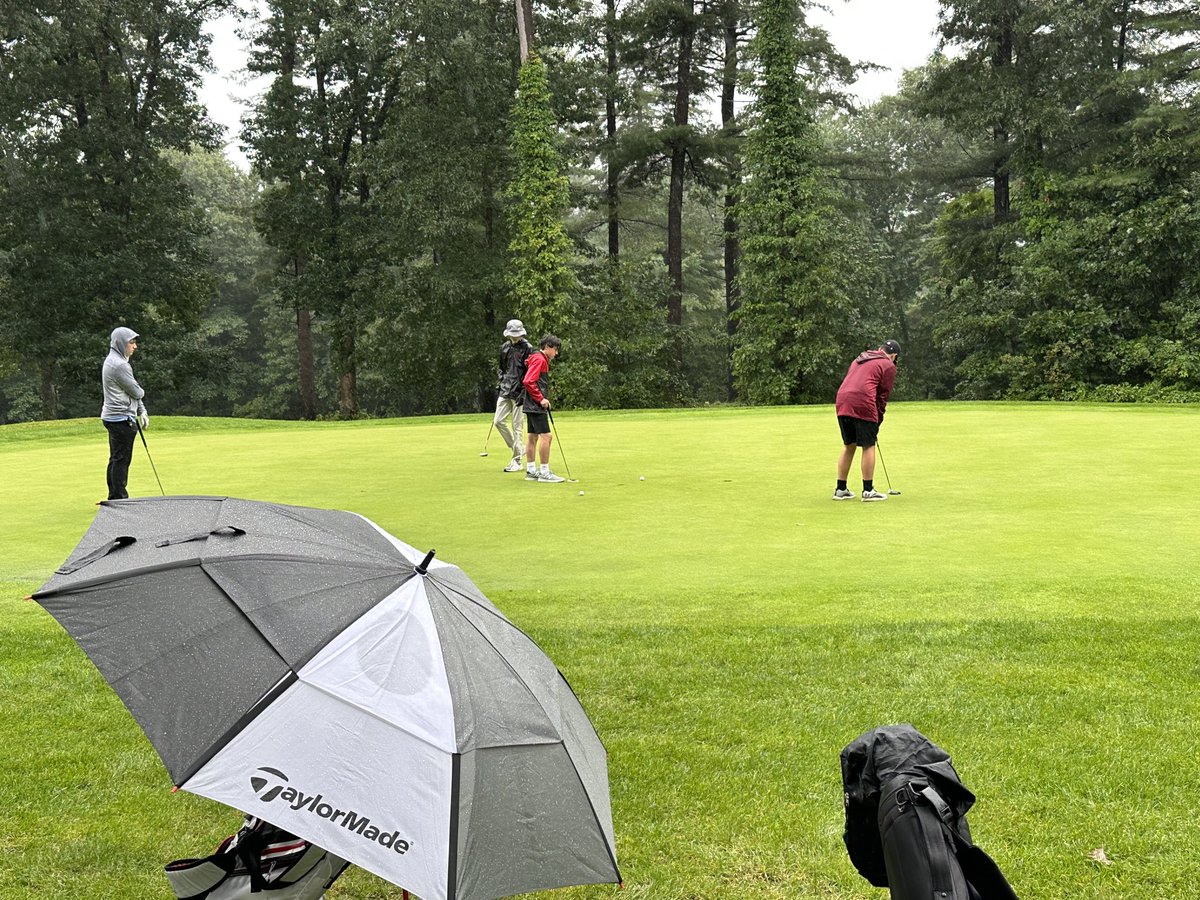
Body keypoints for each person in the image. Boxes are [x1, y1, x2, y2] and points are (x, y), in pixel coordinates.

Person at [833, 339, 899, 502]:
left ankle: (841, 489)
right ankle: (868, 491)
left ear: (880, 349)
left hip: (842, 402)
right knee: (868, 445)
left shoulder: (859, 358)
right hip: (863, 402)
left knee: (849, 445)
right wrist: (878, 419)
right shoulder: (888, 365)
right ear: (893, 356)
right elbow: (882, 395)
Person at [101, 326, 149, 500]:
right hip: (121, 419)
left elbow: (132, 393)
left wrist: (141, 410)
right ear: (121, 343)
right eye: (131, 342)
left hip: (114, 417)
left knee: (116, 458)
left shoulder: (115, 360)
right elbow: (137, 392)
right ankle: (119, 498)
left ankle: (114, 496)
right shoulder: (120, 365)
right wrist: (141, 395)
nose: (135, 346)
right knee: (121, 460)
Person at [522, 334, 565, 483]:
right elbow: (528, 381)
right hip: (535, 404)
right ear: (547, 347)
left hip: (530, 404)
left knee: (532, 436)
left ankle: (531, 471)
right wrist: (541, 399)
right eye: (555, 349)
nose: (556, 353)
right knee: (546, 436)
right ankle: (545, 473)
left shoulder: (537, 358)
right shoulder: (539, 359)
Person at [494, 319, 534, 472]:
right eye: (513, 334)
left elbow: (529, 372)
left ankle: (517, 461)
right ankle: (518, 448)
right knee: (498, 421)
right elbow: (501, 368)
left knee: (517, 426)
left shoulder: (528, 348)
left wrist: (524, 391)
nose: (515, 336)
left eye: (517, 334)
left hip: (519, 391)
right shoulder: (505, 347)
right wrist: (501, 382)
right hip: (505, 389)